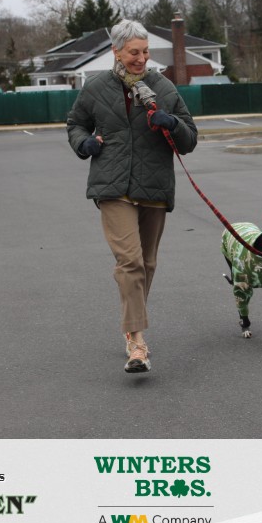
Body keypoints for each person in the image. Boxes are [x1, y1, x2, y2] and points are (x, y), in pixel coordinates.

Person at [66, 19, 198, 374]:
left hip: (154, 185)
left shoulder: (163, 87)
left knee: (147, 264)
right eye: (133, 52)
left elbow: (189, 138)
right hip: (112, 186)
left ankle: (130, 325)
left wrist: (172, 123)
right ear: (116, 52)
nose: (141, 59)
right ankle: (137, 343)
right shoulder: (96, 88)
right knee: (131, 262)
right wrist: (85, 143)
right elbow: (76, 123)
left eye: (145, 52)